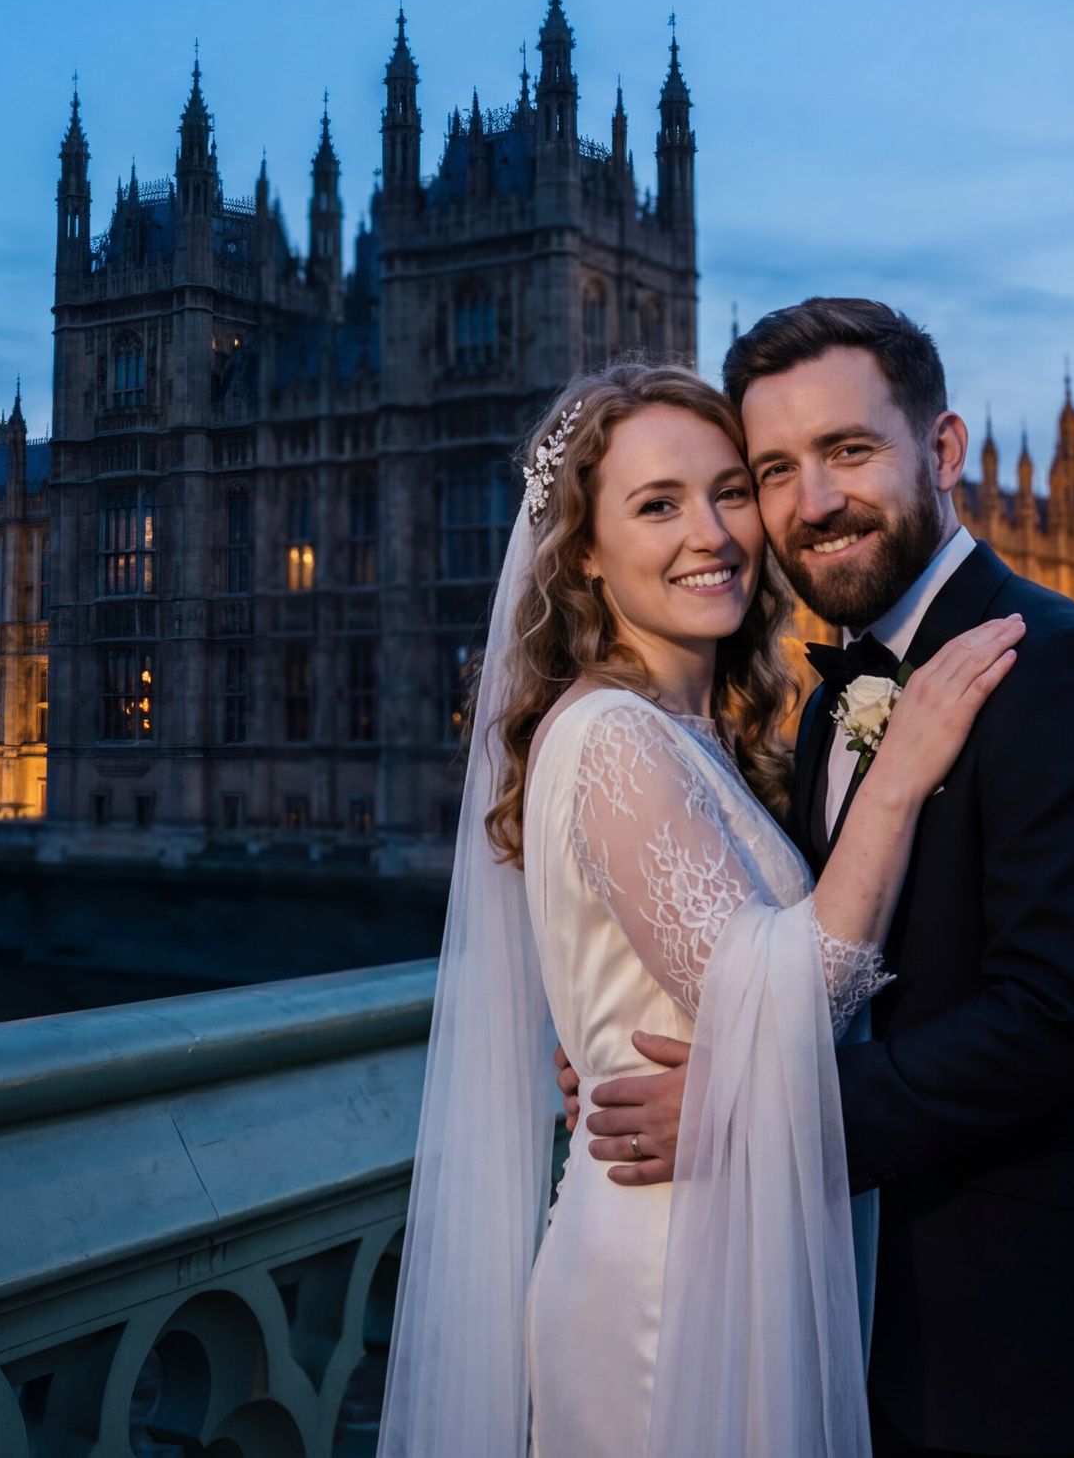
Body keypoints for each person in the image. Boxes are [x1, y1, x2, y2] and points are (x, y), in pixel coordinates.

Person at [577, 300, 1074, 1457]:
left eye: (848, 451)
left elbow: (1060, 1021)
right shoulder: (836, 690)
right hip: (862, 1325)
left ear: (943, 452)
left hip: (1035, 1347)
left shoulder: (1064, 670)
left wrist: (744, 1111)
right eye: (772, 470)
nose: (809, 503)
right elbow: (816, 945)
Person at [377, 360, 1025, 1457]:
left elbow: (704, 981)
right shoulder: (611, 735)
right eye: (658, 504)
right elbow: (802, 995)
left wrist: (632, 1041)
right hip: (662, 1276)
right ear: (582, 550)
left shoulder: (693, 732)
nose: (714, 533)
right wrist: (903, 767)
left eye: (732, 491)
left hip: (725, 1234)